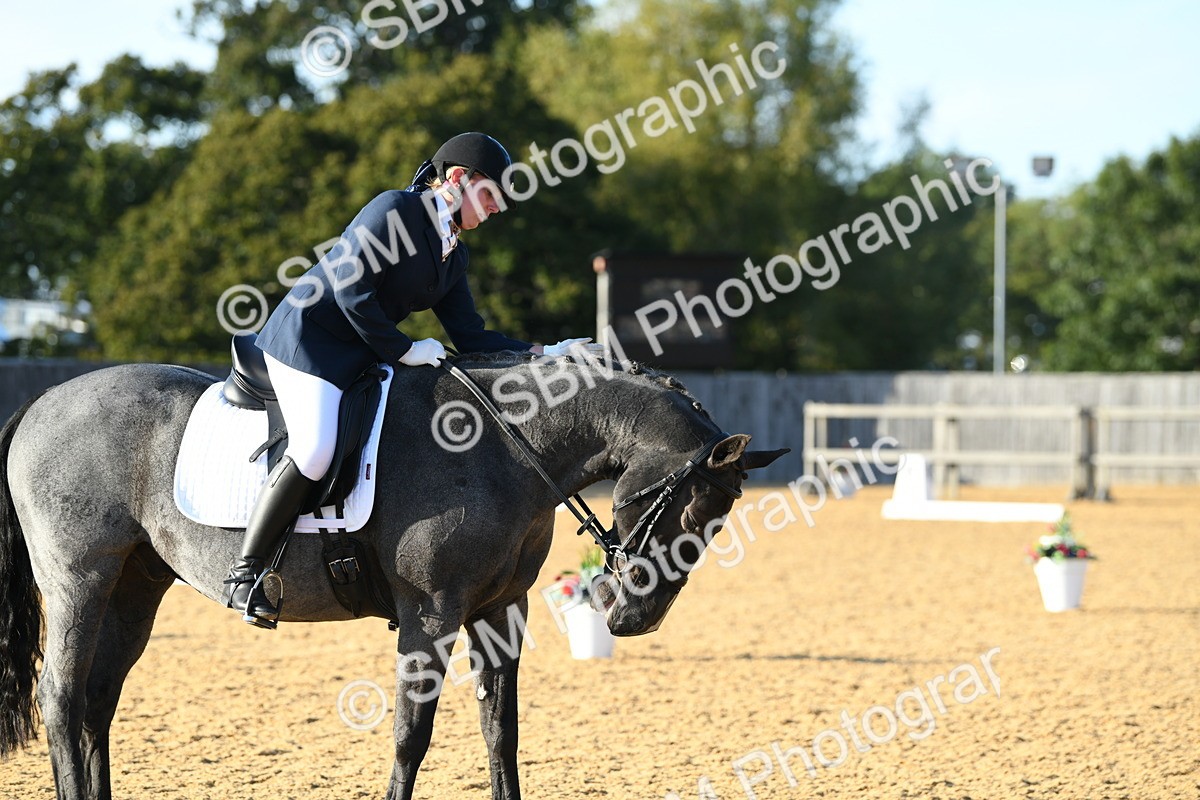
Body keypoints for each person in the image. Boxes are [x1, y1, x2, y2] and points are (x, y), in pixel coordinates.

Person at [223, 132, 594, 627]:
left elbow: (471, 335)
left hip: (360, 353)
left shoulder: (452, 254)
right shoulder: (395, 210)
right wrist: (404, 348)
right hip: (308, 342)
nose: (497, 209)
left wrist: (547, 353)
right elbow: (352, 291)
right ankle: (246, 574)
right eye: (491, 196)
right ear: (459, 179)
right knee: (313, 448)